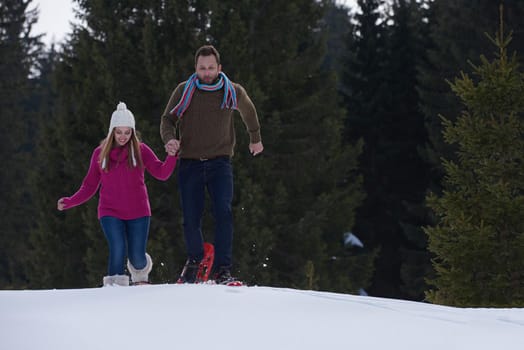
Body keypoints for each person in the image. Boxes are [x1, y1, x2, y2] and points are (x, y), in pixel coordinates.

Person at [160, 45, 263, 284]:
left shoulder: (231, 91)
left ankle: (222, 269)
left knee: (224, 213)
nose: (206, 73)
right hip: (190, 163)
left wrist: (255, 139)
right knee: (190, 218)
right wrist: (170, 139)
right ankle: (196, 261)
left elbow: (249, 111)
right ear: (195, 68)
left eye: (210, 68)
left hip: (220, 163)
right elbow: (168, 119)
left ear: (219, 68)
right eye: (201, 68)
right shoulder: (184, 91)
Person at [58, 102, 178, 286]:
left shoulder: (141, 150)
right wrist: (70, 201)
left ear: (133, 132)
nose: (123, 136)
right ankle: (114, 288)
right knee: (118, 247)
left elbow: (162, 174)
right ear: (112, 131)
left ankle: (140, 270)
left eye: (127, 132)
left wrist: (171, 156)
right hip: (109, 211)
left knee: (136, 257)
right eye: (119, 132)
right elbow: (89, 185)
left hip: (138, 211)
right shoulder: (100, 154)